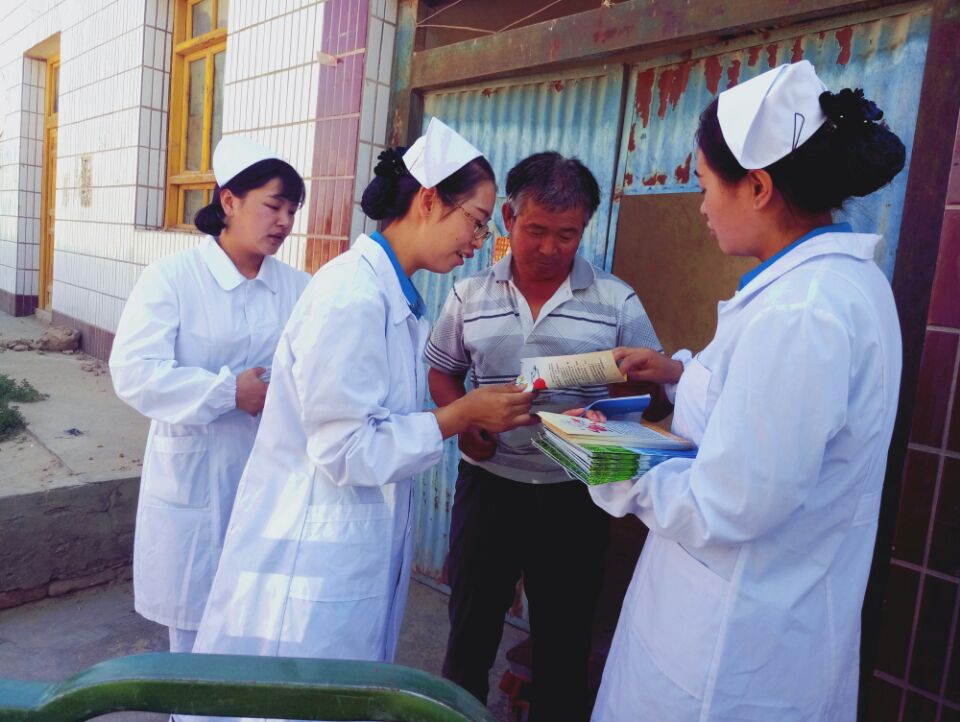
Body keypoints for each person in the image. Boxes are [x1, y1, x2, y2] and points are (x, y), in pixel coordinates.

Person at [584, 60, 905, 721]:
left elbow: (728, 503)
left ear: (757, 186)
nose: (702, 206)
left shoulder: (802, 313)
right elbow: (761, 413)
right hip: (747, 618)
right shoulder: (832, 287)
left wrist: (609, 458)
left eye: (705, 185)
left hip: (728, 652)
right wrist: (677, 373)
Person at [186, 119, 535, 721]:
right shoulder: (352, 295)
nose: (480, 241)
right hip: (311, 558)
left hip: (345, 549)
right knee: (289, 706)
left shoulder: (392, 294)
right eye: (477, 221)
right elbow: (345, 448)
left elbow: (371, 420)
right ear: (429, 200)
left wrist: (453, 418)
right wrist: (456, 416)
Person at [427, 152, 664, 721]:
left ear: (585, 229)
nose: (551, 248)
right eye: (536, 230)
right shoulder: (469, 295)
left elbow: (654, 394)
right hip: (489, 488)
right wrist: (466, 423)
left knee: (564, 639)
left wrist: (626, 395)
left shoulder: (617, 301)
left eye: (567, 234)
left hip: (575, 496)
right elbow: (442, 370)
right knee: (470, 632)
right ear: (509, 218)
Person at [109, 136, 310, 654]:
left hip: (272, 478)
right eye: (273, 206)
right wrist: (227, 393)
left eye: (292, 210)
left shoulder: (299, 288)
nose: (284, 221)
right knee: (196, 637)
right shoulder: (173, 279)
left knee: (264, 628)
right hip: (195, 479)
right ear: (229, 201)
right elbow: (133, 371)